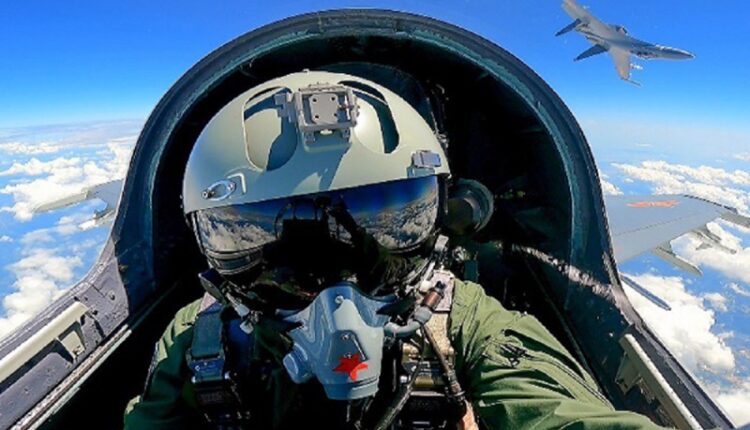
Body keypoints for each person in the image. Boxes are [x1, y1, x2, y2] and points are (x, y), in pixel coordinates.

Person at [124, 70, 667, 429]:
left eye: (375, 217)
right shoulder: (200, 339)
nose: (336, 300)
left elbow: (560, 413)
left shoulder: (466, 324)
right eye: (282, 245)